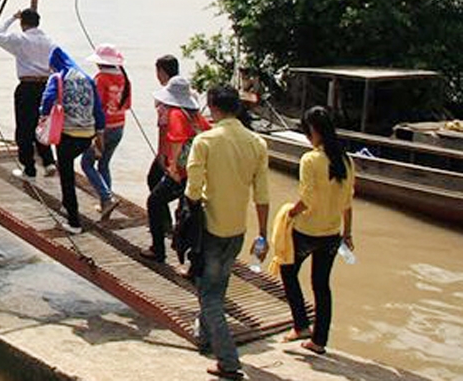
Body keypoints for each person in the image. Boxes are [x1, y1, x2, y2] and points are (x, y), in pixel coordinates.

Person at [185, 85, 270, 380]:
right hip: (237, 229)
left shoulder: (205, 140)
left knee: (208, 293)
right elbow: (262, 194)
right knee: (218, 287)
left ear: (213, 107)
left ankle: (229, 361)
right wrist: (263, 234)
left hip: (210, 227)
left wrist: (191, 208)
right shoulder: (257, 143)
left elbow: (193, 189)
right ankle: (207, 337)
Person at [280, 106, 355, 355]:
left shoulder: (310, 159)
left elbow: (307, 198)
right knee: (321, 285)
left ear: (312, 130)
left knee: (287, 271)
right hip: (332, 233)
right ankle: (319, 341)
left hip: (306, 231)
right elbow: (347, 201)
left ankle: (301, 325)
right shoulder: (346, 160)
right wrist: (348, 233)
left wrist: (290, 213)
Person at [142, 75, 211, 262]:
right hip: (196, 172)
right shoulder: (195, 115)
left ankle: (158, 250)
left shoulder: (175, 115)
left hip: (181, 172)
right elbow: (208, 135)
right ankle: (191, 258)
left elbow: (177, 140)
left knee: (154, 202)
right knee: (190, 215)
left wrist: (173, 168)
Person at [40, 47, 106, 234]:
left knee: (67, 177)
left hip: (67, 135)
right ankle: (66, 205)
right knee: (73, 169)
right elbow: (98, 110)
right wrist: (99, 134)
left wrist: (43, 117)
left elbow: (47, 101)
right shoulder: (87, 78)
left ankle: (74, 222)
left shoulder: (58, 78)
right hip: (87, 135)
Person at [0, 8, 57, 180]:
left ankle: (29, 168)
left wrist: (12, 18)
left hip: (27, 86)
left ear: (23, 23)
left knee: (24, 128)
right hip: (46, 87)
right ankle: (49, 161)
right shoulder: (50, 42)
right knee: (43, 125)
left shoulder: (20, 39)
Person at [80, 44, 131, 220]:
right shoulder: (124, 78)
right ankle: (105, 205)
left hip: (103, 129)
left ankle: (107, 198)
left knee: (86, 164)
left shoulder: (101, 79)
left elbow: (96, 106)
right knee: (104, 164)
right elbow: (127, 105)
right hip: (119, 126)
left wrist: (94, 132)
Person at [148, 55, 180, 192]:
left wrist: (161, 155)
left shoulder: (164, 97)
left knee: (153, 180)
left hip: (170, 148)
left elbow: (163, 127)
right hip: (185, 147)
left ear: (161, 71)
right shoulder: (187, 92)